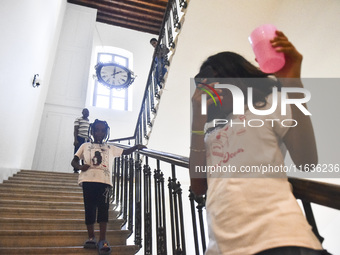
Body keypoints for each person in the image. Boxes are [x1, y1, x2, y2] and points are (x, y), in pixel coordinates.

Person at [189, 31, 324, 255]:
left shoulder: (268, 104)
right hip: (221, 248)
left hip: (279, 238)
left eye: (214, 78)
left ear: (234, 75)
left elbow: (306, 160)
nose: (209, 87)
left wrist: (293, 81)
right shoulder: (211, 132)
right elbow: (198, 187)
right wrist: (197, 120)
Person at [71, 119, 145, 254]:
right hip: (87, 181)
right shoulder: (85, 145)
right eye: (96, 130)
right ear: (92, 131)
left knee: (103, 210)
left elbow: (125, 152)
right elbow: (74, 161)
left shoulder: (110, 147)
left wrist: (136, 147)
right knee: (90, 208)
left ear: (106, 132)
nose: (99, 132)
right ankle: (91, 237)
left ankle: (103, 239)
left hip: (104, 183)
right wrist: (81, 166)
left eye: (102, 130)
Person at [73, 108, 90, 173]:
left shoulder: (88, 121)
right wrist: (75, 140)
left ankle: (84, 168)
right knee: (77, 154)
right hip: (80, 138)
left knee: (85, 154)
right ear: (82, 112)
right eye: (85, 112)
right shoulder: (78, 119)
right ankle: (76, 169)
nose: (87, 113)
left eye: (88, 112)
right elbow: (75, 130)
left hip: (86, 139)